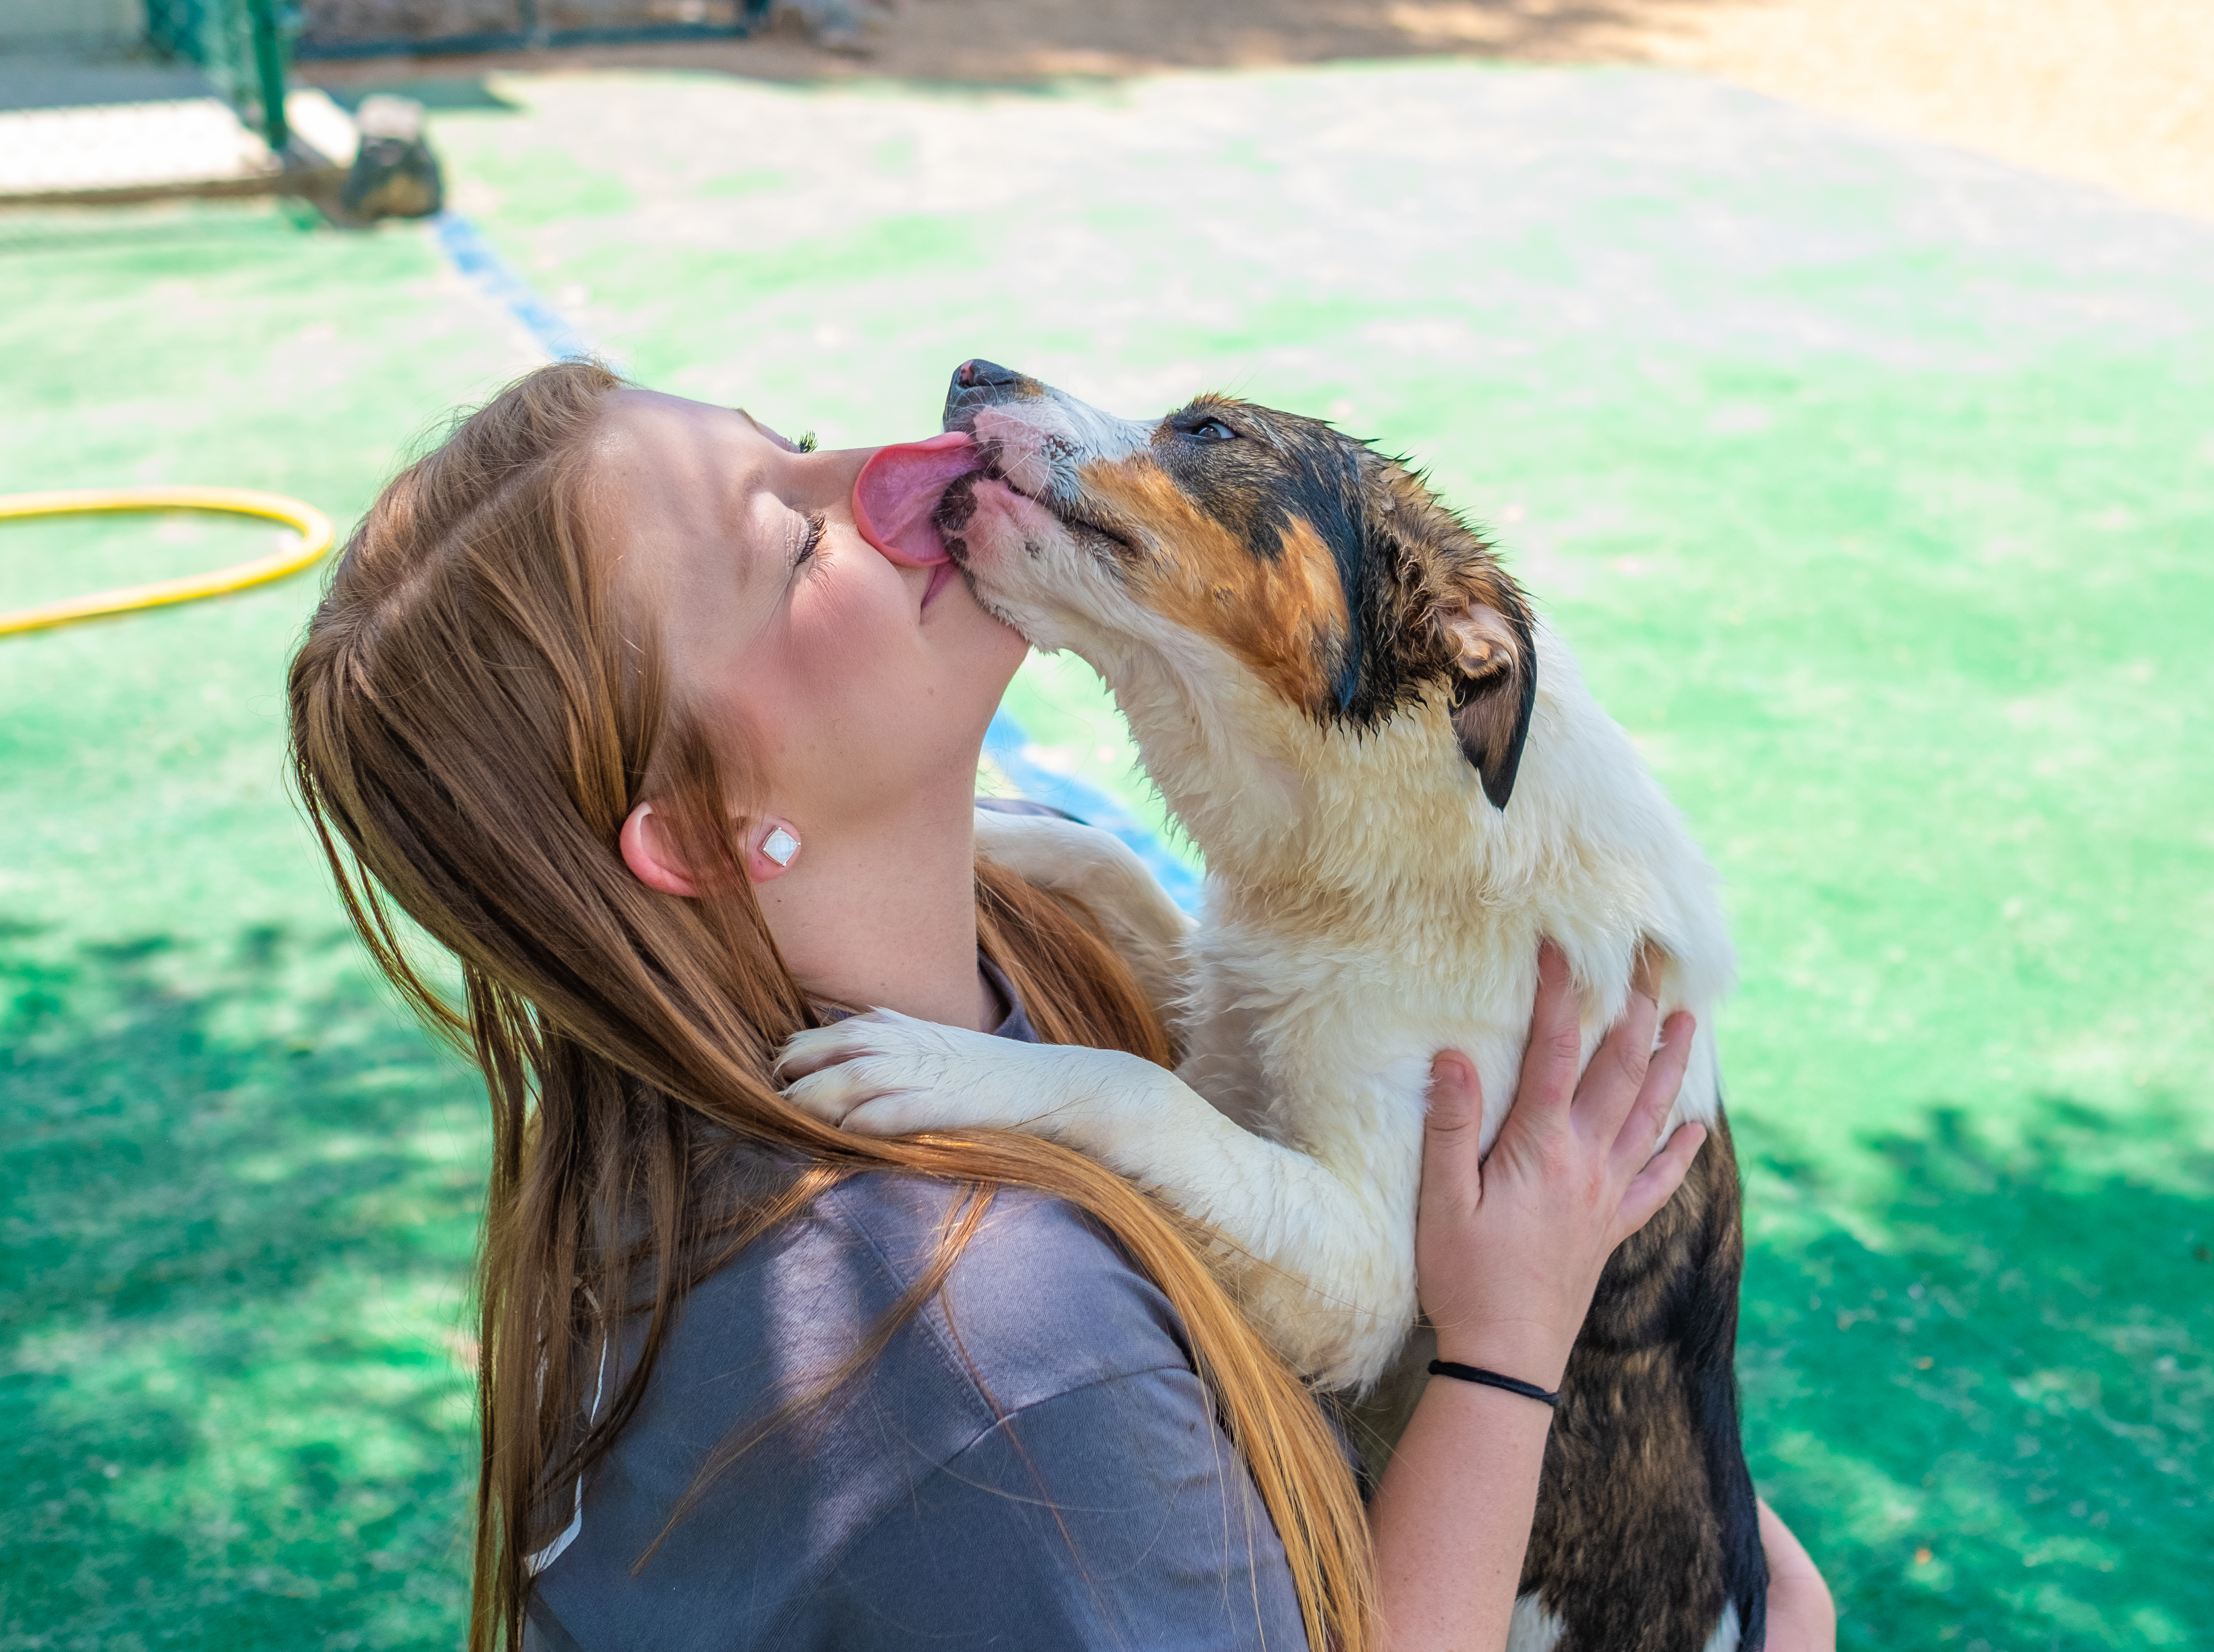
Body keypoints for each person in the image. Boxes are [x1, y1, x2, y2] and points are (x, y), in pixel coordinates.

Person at [287, 361, 1836, 1651]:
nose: (883, 466)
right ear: (700, 830)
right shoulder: (1011, 1373)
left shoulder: (998, 954)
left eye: (791, 438)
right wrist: (1509, 1350)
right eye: (788, 546)